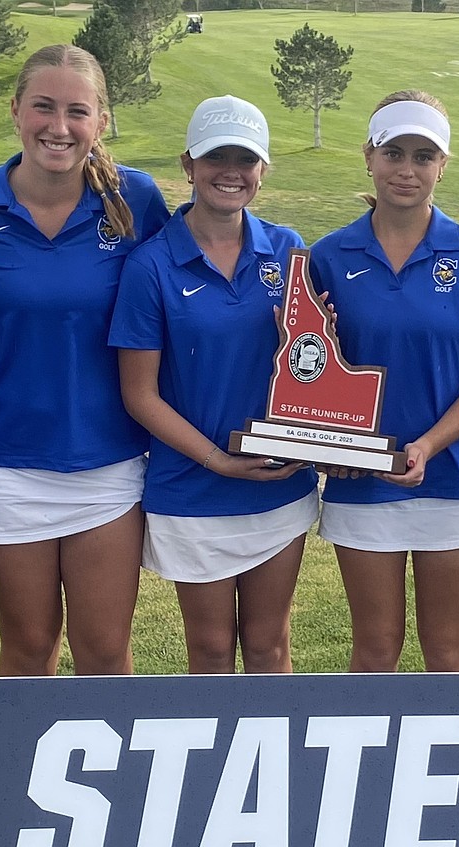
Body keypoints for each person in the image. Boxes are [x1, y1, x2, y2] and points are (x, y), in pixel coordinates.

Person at [0, 45, 169, 676]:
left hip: (108, 459)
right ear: (15, 111)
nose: (58, 127)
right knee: (29, 649)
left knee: (104, 651)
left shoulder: (137, 199)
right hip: (2, 462)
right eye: (43, 107)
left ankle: (108, 753)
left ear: (101, 121)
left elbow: (176, 303)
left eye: (77, 112)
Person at [308, 91, 459, 672]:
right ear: (369, 157)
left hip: (457, 477)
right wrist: (331, 445)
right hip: (364, 480)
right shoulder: (328, 257)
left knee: (448, 648)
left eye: (424, 156)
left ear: (442, 165)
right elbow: (312, 373)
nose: (407, 169)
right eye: (394, 153)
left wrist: (427, 444)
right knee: (375, 647)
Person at [111, 96, 318, 673]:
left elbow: (313, 365)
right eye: (215, 157)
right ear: (188, 164)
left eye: (245, 159)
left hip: (277, 483)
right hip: (192, 488)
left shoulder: (288, 248)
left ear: (263, 169)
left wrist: (311, 341)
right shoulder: (150, 265)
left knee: (270, 644)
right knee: (209, 650)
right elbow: (139, 394)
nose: (231, 171)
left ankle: (272, 741)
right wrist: (218, 461)